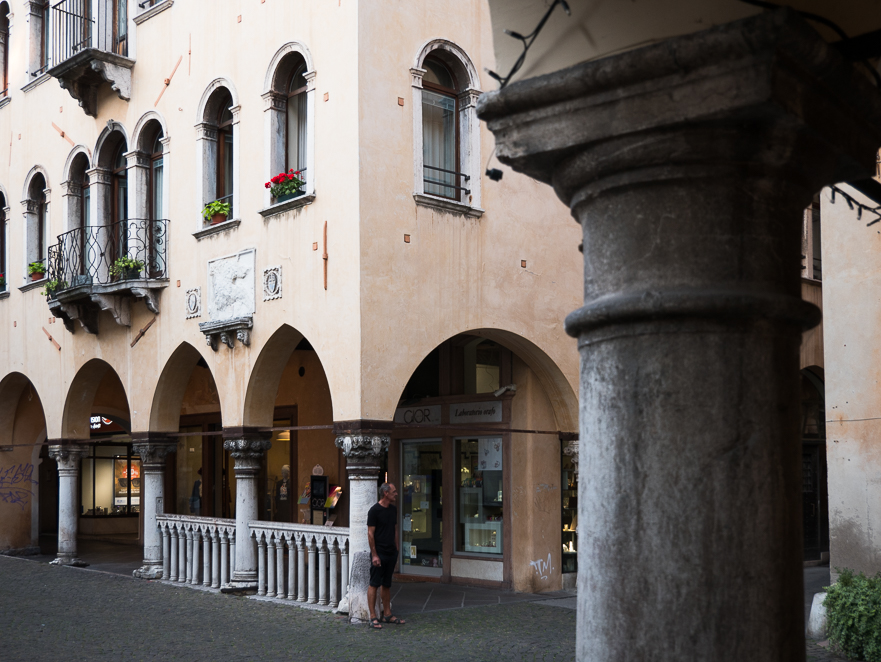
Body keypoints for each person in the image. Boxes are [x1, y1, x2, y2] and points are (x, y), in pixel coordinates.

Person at [366, 483, 406, 629]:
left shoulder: (393, 510)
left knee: (387, 584)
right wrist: (374, 555)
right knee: (374, 583)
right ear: (386, 493)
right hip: (379, 552)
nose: (396, 494)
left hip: (390, 552)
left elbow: (394, 530)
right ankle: (372, 616)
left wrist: (396, 549)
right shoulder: (374, 511)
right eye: (394, 492)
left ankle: (387, 614)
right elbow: (370, 534)